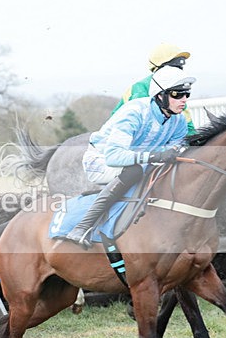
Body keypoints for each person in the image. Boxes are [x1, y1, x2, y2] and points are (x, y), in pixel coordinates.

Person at [64, 66, 195, 248]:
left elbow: (173, 151)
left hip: (139, 163)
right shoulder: (133, 112)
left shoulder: (179, 121)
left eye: (187, 94)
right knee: (134, 171)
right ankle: (82, 226)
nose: (184, 100)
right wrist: (156, 156)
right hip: (101, 161)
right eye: (177, 94)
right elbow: (114, 157)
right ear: (160, 95)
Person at [112, 43, 196, 135]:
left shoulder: (174, 90)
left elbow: (188, 126)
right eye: (174, 67)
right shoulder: (140, 89)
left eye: (180, 68)